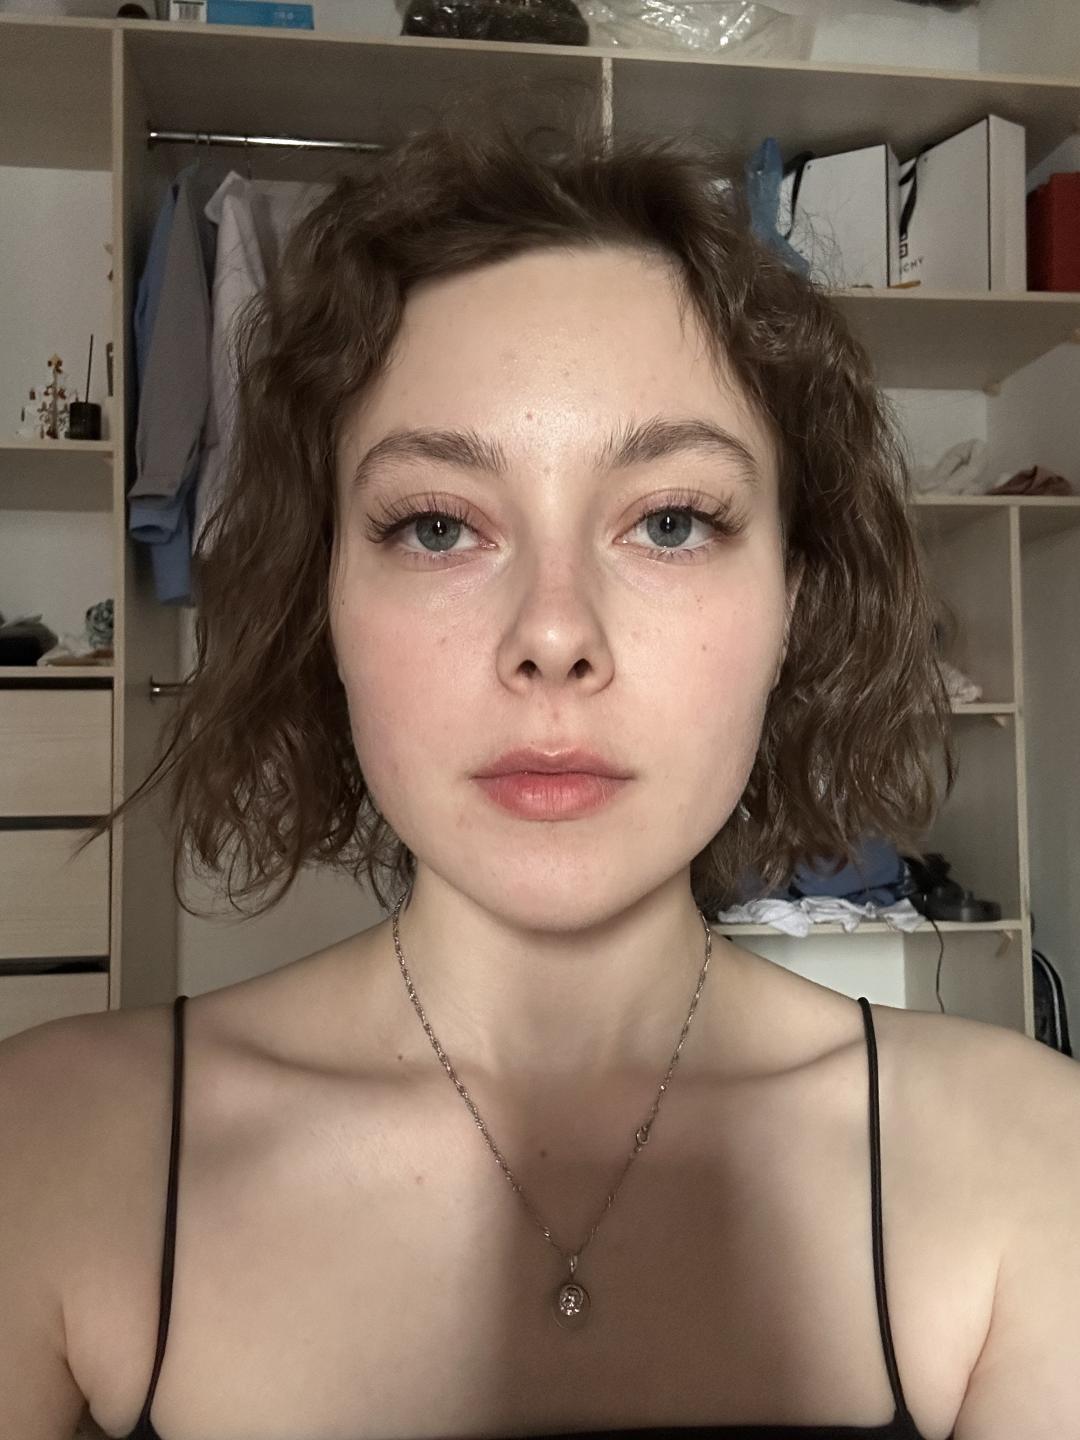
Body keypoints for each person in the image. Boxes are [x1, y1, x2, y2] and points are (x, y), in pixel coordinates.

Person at [2, 84, 1078, 1440]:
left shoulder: (1035, 1171)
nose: (554, 635)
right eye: (438, 526)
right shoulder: (49, 1156)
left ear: (791, 605)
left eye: (672, 522)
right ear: (325, 599)